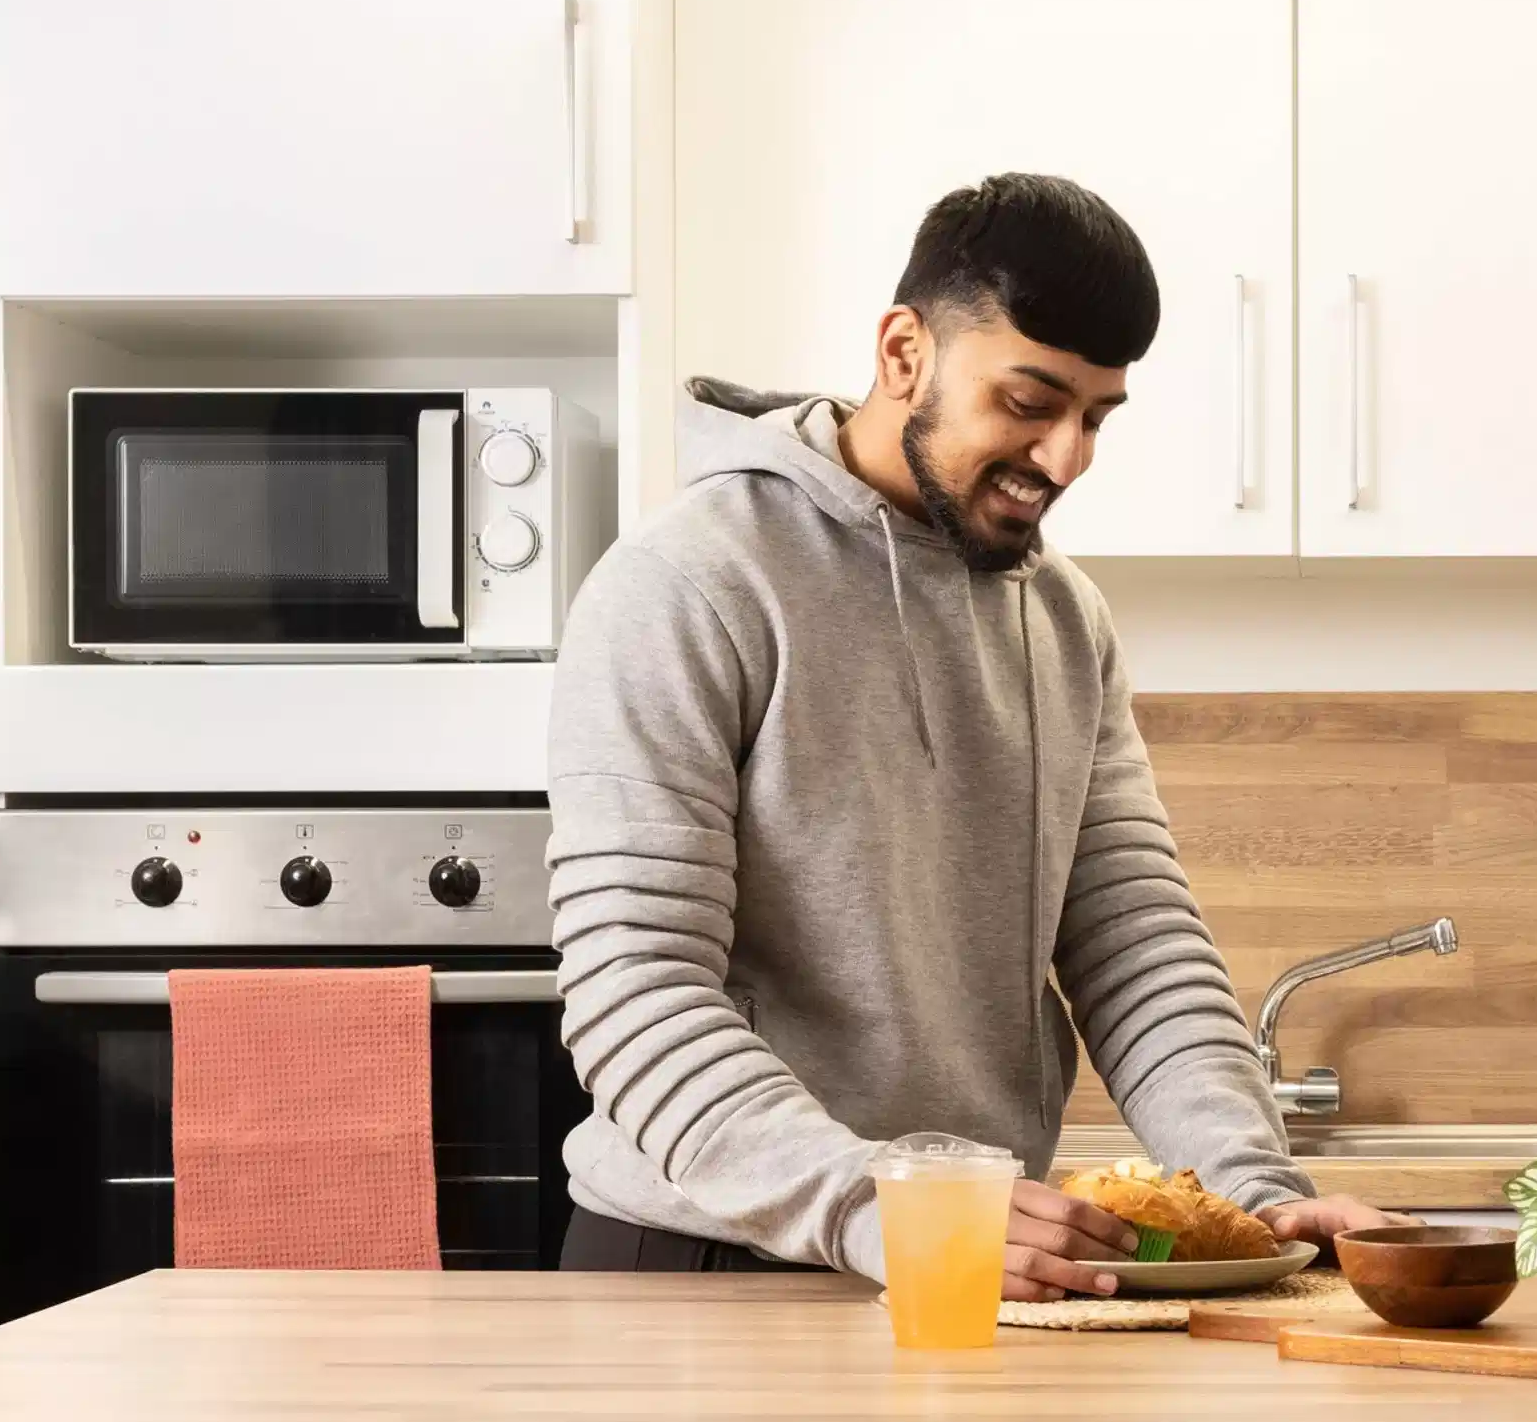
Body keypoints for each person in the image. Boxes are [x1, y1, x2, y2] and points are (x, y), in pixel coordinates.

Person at [547, 172, 1399, 1297]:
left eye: (1096, 418)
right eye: (1031, 402)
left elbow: (1137, 946)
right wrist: (879, 1206)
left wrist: (1253, 1191)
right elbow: (636, 990)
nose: (1066, 458)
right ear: (905, 353)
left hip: (963, 1264)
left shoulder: (1064, 618)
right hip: (701, 1267)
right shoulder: (685, 583)